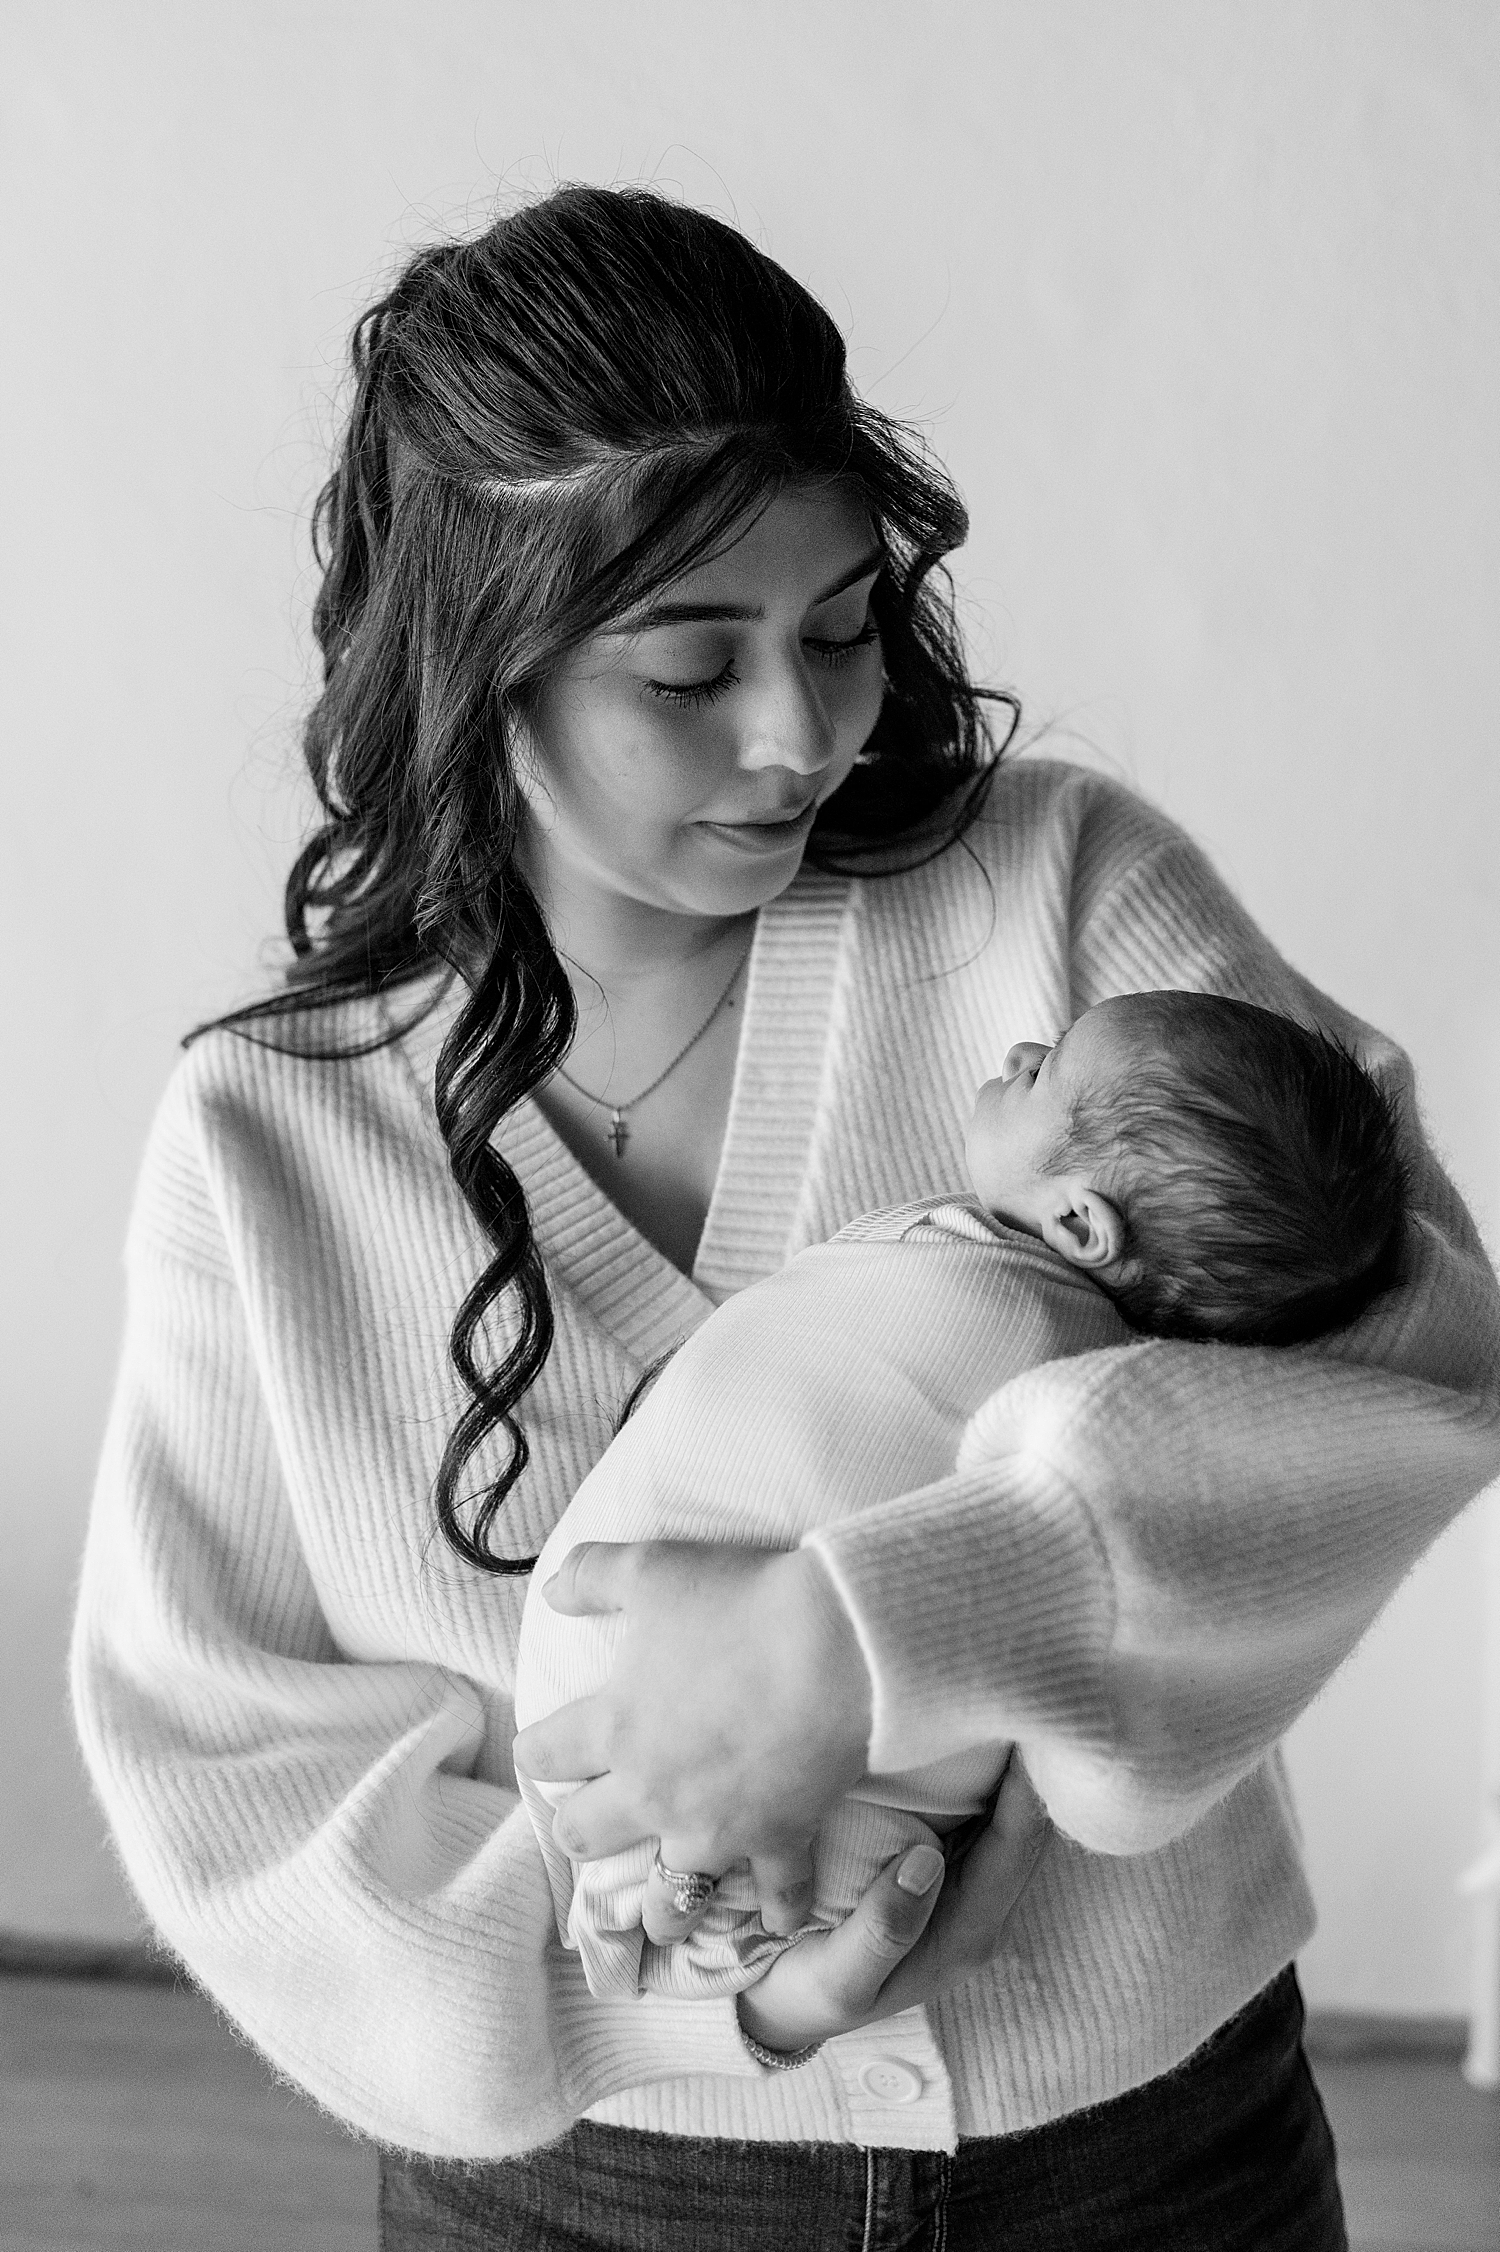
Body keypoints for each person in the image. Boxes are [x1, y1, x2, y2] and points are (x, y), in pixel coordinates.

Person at [69, 185, 1500, 2250]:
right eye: (689, 666)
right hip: (587, 2198)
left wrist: (889, 1627)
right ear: (480, 668)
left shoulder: (1056, 895)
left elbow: (1422, 1360)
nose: (805, 732)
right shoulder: (280, 1135)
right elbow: (221, 1753)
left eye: (840, 627)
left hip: (1148, 2153)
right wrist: (656, 1985)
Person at [517, 989, 1413, 2005]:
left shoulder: (1045, 1349)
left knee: (739, 1897)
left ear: (1079, 1221)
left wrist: (840, 1632)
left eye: (1049, 1066)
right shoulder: (1013, 1281)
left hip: (819, 1834)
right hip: (643, 1779)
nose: (1023, 1043)